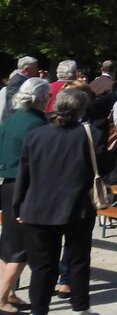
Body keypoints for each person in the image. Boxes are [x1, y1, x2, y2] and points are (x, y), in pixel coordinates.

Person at [12, 88, 110, 315]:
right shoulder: (91, 134)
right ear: (82, 109)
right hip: (78, 208)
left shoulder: (35, 135)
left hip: (37, 208)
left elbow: (24, 174)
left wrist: (18, 205)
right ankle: (80, 308)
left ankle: (39, 310)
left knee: (42, 266)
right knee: (78, 261)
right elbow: (106, 166)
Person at [0, 78, 50, 312]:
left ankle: (8, 292)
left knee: (8, 243)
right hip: (27, 186)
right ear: (42, 99)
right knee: (21, 247)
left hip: (7, 183)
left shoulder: (11, 120)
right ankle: (1, 296)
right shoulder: (39, 125)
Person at [0, 57, 38, 122]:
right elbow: (14, 102)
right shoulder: (17, 81)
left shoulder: (22, 79)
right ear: (26, 69)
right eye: (35, 68)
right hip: (15, 119)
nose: (37, 70)